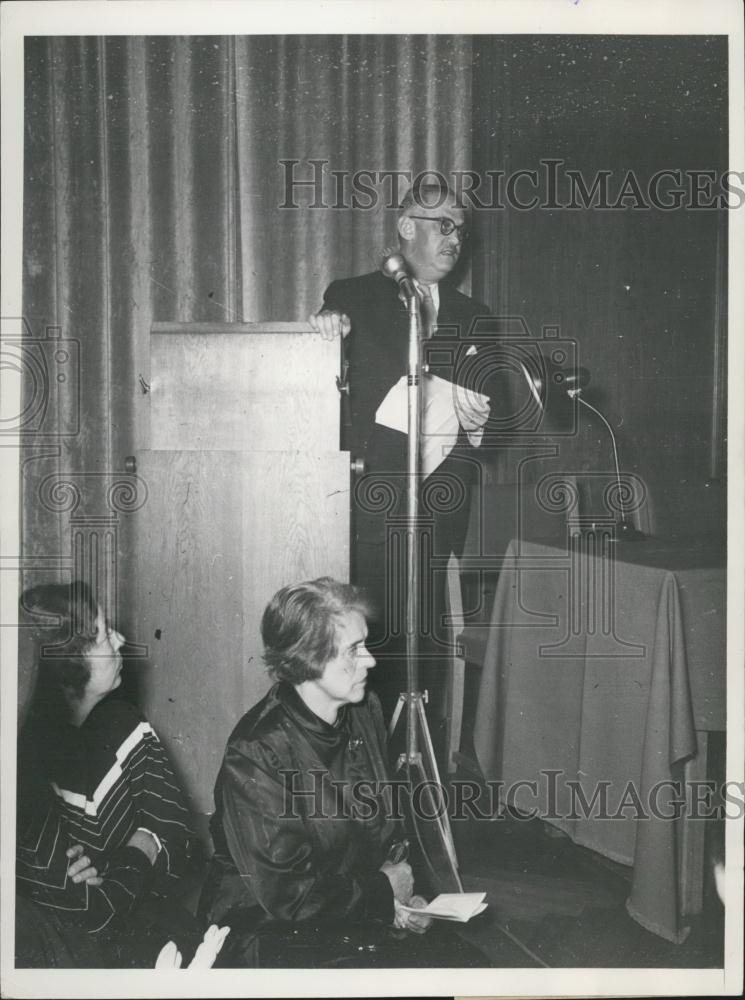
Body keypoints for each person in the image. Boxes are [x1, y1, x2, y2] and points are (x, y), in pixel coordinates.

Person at [199, 577, 487, 968]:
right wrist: (384, 895)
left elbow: (383, 831)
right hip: (269, 935)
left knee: (472, 968)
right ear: (308, 659)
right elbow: (287, 897)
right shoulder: (256, 752)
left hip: (346, 913)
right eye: (354, 650)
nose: (370, 660)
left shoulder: (363, 708)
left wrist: (405, 900)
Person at [308, 181, 493, 734]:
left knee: (426, 652)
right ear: (407, 228)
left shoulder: (474, 314)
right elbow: (329, 374)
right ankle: (371, 776)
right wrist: (325, 330)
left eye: (460, 228)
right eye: (444, 225)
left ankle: (421, 776)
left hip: (438, 514)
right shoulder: (355, 295)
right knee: (371, 651)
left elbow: (496, 411)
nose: (454, 238)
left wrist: (484, 418)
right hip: (374, 510)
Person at [16, 581, 199, 968]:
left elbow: (179, 836)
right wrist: (142, 846)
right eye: (102, 634)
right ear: (65, 666)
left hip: (153, 921)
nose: (120, 639)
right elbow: (92, 915)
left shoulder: (125, 724)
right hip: (76, 957)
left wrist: (119, 866)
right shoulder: (22, 771)